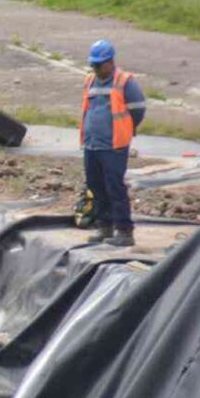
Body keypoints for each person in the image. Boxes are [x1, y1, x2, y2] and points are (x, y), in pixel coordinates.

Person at [81, 39, 146, 247]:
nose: (95, 69)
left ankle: (125, 231)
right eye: (93, 65)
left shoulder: (125, 82)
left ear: (110, 62)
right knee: (95, 186)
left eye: (98, 65)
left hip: (113, 146)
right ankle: (105, 226)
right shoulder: (90, 81)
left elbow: (138, 110)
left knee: (114, 188)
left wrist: (125, 129)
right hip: (92, 144)